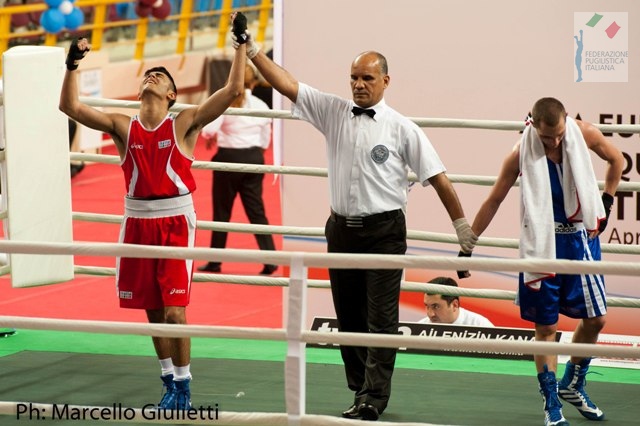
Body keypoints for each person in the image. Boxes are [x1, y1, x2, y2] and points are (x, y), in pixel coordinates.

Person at [233, 34, 477, 421]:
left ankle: (374, 399)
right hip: (341, 230)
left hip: (384, 233)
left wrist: (462, 229)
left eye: (367, 78)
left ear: (385, 81)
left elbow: (439, 179)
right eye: (354, 78)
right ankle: (359, 391)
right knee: (348, 317)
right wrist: (253, 50)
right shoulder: (333, 111)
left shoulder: (402, 128)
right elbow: (286, 84)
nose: (359, 85)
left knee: (381, 319)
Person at [59, 16, 246, 410]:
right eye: (148, 73)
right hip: (136, 222)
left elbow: (233, 90)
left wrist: (241, 43)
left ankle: (185, 385)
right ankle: (167, 380)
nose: (151, 76)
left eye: (159, 75)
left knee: (176, 310)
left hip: (176, 221)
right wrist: (71, 65)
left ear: (172, 93)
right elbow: (69, 105)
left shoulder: (184, 124)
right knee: (152, 306)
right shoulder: (121, 126)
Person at [470, 97, 623, 426]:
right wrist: (468, 244)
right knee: (547, 329)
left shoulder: (584, 134)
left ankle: (573, 384)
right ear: (532, 126)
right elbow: (494, 199)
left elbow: (617, 161)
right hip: (542, 242)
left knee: (596, 319)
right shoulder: (519, 153)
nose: (554, 142)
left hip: (581, 239)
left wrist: (607, 202)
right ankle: (551, 402)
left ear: (566, 120)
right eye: (546, 138)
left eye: (558, 135)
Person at [198, 63, 277, 275]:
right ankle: (271, 259)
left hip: (228, 159)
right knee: (256, 212)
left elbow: (207, 130)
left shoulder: (226, 104)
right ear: (252, 82)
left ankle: (215, 261)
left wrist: (214, 135)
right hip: (253, 159)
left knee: (221, 213)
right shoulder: (261, 105)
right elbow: (265, 139)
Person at [419, 276, 494, 326]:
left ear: (455, 305)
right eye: (427, 306)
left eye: (436, 306)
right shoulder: (420, 327)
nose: (430, 314)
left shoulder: (480, 325)